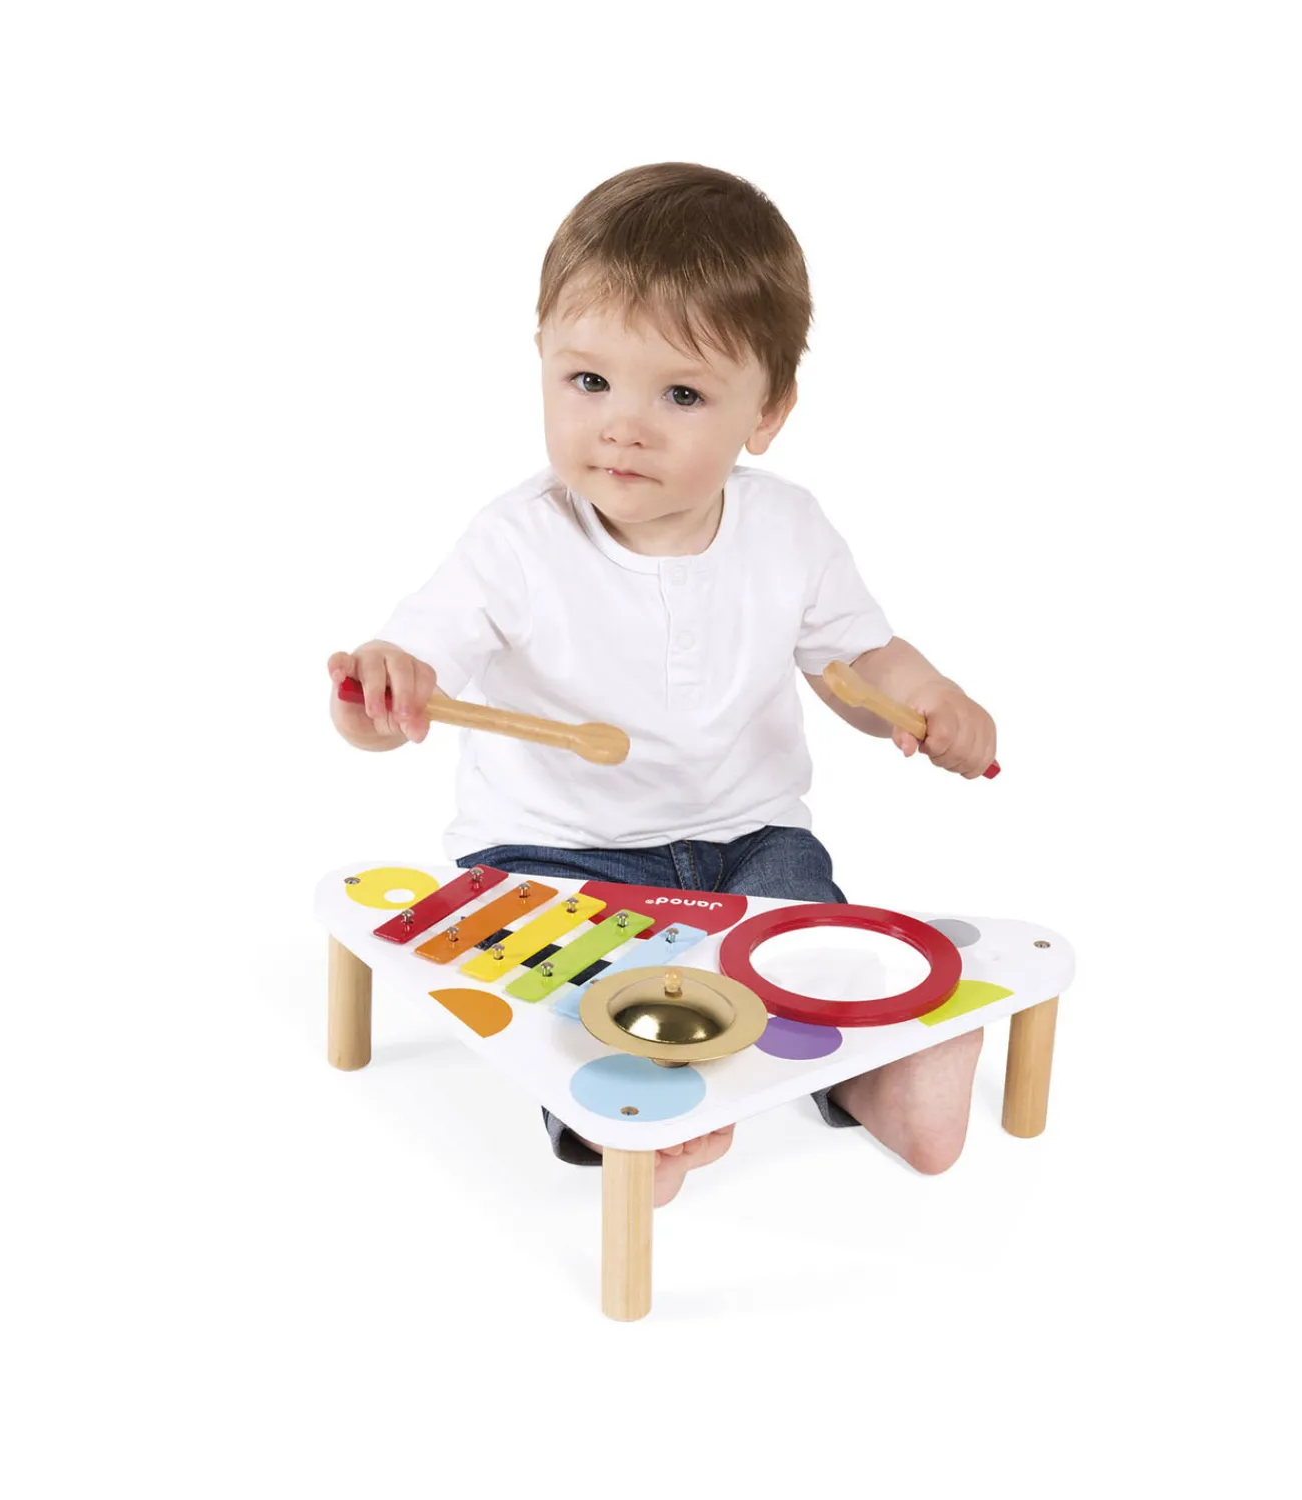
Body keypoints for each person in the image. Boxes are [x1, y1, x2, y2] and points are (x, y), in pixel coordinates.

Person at [328, 163, 999, 1207]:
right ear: (542, 362)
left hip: (747, 839)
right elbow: (408, 678)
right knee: (571, 997)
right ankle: (636, 1119)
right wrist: (379, 698)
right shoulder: (515, 544)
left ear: (767, 411)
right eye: (588, 382)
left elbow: (857, 664)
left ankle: (880, 1082)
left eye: (680, 395)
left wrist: (930, 700)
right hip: (552, 854)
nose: (622, 426)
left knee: (813, 943)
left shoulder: (789, 530)